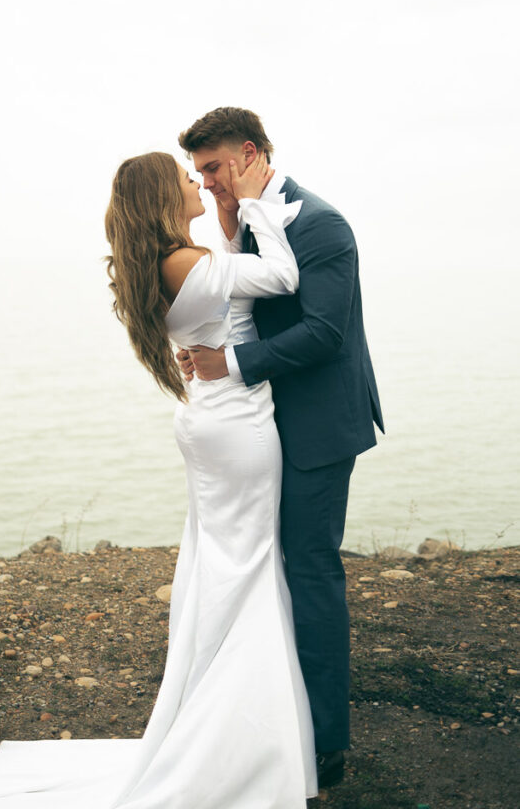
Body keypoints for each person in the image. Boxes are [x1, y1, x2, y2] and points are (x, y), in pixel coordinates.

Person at [0, 149, 318, 808]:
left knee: (222, 568)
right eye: (186, 178)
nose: (195, 182)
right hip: (236, 433)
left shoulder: (168, 266)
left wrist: (229, 217)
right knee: (244, 573)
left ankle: (218, 714)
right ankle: (233, 740)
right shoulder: (191, 265)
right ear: (162, 195)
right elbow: (283, 276)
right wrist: (255, 204)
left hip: (210, 428)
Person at [177, 106, 384, 789]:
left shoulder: (320, 223)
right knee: (265, 568)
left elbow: (323, 332)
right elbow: (243, 302)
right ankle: (266, 707)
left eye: (212, 169)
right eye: (199, 174)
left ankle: (324, 741)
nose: (205, 184)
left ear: (245, 153)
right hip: (261, 426)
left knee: (310, 572)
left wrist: (228, 366)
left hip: (318, 427)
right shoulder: (239, 224)